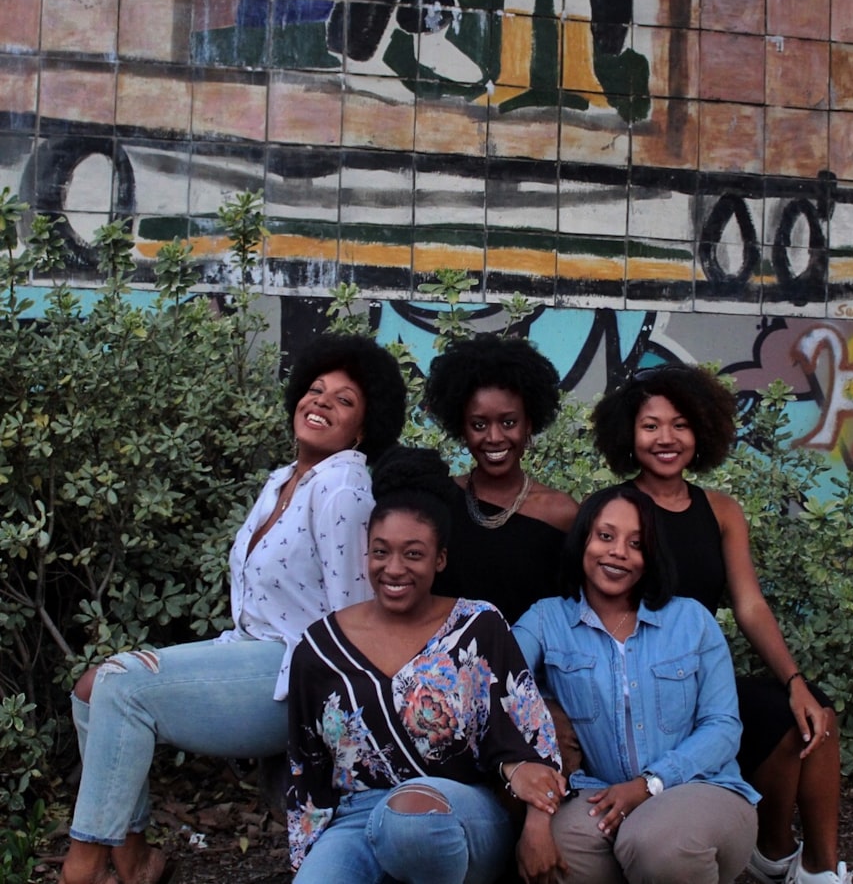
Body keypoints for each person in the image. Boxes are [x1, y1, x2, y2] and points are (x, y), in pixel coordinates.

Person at [58, 333, 408, 884]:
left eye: (344, 401)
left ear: (362, 430)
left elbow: (354, 614)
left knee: (122, 685)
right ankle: (134, 858)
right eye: (315, 389)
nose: (320, 402)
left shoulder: (343, 484)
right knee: (90, 688)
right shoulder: (281, 482)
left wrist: (344, 736)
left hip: (294, 678)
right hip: (249, 654)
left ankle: (81, 868)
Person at [592, 364, 853, 884]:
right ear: (629, 433)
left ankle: (818, 870)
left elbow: (750, 605)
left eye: (681, 424)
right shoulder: (615, 509)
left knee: (812, 716)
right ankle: (772, 850)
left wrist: (795, 682)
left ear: (702, 431)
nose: (666, 438)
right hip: (640, 685)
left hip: (704, 678)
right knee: (776, 721)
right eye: (651, 426)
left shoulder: (721, 510)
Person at [286, 445, 566, 883]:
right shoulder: (319, 647)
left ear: (440, 559)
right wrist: (309, 857)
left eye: (413, 554)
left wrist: (537, 825)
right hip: (356, 819)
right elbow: (308, 769)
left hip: (457, 815)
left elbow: (533, 744)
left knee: (410, 822)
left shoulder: (477, 627)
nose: (393, 568)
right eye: (381, 552)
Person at [513, 485, 760, 884]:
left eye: (636, 543)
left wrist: (648, 784)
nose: (618, 552)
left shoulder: (691, 621)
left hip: (699, 786)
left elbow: (723, 727)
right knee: (558, 854)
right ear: (583, 542)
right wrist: (538, 815)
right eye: (605, 536)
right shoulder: (546, 621)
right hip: (599, 791)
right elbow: (499, 689)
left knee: (659, 845)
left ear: (650, 557)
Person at [422, 332, 579, 625]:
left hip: (529, 667)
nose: (494, 437)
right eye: (479, 424)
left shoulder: (561, 513)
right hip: (444, 667)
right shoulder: (440, 500)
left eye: (509, 422)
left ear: (529, 423)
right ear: (462, 428)